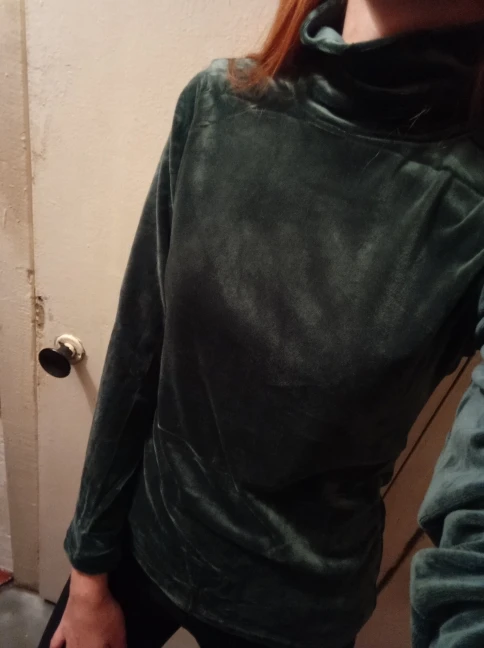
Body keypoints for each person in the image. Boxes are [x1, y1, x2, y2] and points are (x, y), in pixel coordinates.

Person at [39, 0, 484, 647]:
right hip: (142, 543)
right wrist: (87, 571)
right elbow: (138, 351)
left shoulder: (469, 200)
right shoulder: (218, 107)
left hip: (295, 613)